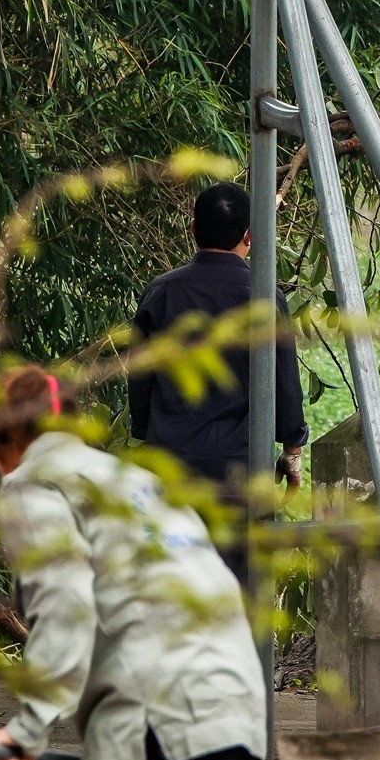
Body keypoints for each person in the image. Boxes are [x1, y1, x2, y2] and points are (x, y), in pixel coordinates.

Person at [0, 367, 266, 760]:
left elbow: (65, 604)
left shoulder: (34, 483)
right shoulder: (136, 481)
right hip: (236, 711)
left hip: (156, 720)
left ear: (3, 437)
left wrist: (27, 730)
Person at [129, 182, 307, 582]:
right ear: (250, 236)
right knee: (239, 596)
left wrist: (145, 430)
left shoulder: (161, 292)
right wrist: (292, 446)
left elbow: (139, 376)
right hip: (238, 472)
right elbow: (284, 381)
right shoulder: (265, 297)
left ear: (193, 228)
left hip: (170, 469)